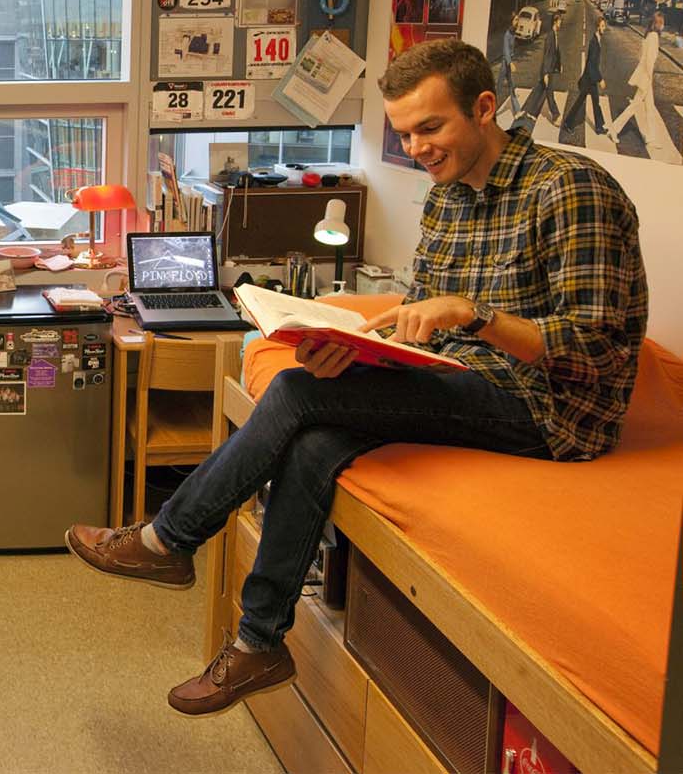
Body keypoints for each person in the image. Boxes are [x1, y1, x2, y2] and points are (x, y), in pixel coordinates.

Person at [65, 38, 646, 717]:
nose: (420, 147)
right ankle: (259, 643)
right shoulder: (448, 198)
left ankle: (169, 538)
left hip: (548, 407)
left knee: (294, 393)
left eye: (431, 127)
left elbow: (594, 351)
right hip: (464, 375)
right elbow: (421, 320)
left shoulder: (569, 191)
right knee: (313, 429)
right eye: (405, 133)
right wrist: (350, 350)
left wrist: (477, 314)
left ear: (485, 108)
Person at [606, 10, 683, 163]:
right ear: (657, 24)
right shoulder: (653, 37)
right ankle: (614, 129)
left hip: (645, 77)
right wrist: (649, 80)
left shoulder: (648, 36)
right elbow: (649, 61)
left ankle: (651, 138)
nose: (663, 26)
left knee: (649, 108)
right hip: (646, 78)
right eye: (661, 23)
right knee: (634, 107)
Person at [561, 12, 609, 137]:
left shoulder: (597, 40)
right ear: (598, 27)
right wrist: (600, 79)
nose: (605, 28)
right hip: (590, 79)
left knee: (595, 102)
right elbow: (592, 64)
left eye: (605, 26)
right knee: (581, 102)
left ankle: (599, 127)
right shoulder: (594, 42)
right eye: (603, 26)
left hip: (590, 78)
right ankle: (568, 123)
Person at [521, 11, 563, 127]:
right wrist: (545, 73)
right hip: (547, 70)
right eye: (560, 21)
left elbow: (556, 52)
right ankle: (556, 116)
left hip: (550, 69)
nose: (561, 23)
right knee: (549, 93)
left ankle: (529, 111)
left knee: (539, 90)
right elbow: (548, 55)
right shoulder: (550, 36)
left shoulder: (555, 34)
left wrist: (559, 65)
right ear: (555, 22)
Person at [494, 24, 521, 118]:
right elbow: (506, 51)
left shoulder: (513, 33)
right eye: (515, 20)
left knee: (511, 86)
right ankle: (492, 109)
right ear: (511, 22)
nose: (517, 22)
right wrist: (510, 63)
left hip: (508, 62)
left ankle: (517, 111)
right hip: (505, 63)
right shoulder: (507, 35)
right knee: (499, 87)